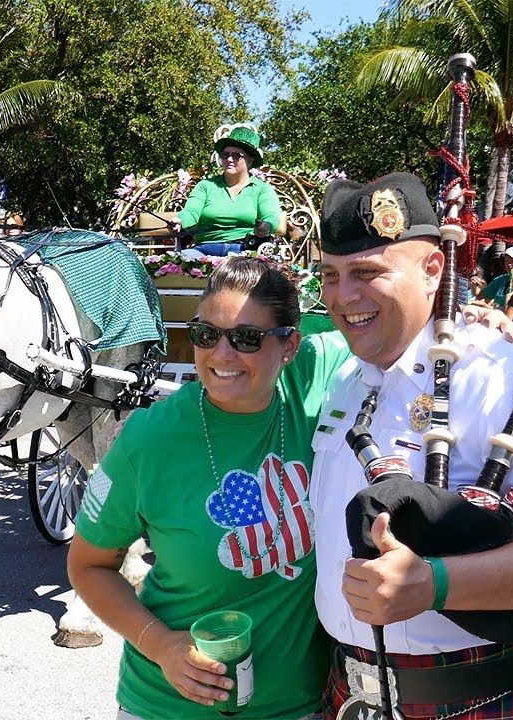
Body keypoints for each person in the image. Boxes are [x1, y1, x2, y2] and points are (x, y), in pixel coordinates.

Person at [314, 172, 513, 719]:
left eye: (368, 272)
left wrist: (435, 584)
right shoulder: (346, 375)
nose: (344, 296)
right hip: (355, 695)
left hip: (491, 696)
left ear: (433, 269)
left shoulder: (500, 371)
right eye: (331, 275)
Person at [69, 256, 351, 719]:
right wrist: (160, 646)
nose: (221, 354)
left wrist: (480, 323)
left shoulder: (314, 380)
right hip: (166, 707)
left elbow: (387, 326)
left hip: (299, 708)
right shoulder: (151, 437)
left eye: (246, 338)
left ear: (290, 346)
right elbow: (88, 566)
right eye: (205, 334)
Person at [169, 125, 281, 257]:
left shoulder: (262, 189)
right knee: (182, 261)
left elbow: (270, 216)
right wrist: (180, 221)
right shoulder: (205, 186)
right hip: (204, 250)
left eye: (236, 156)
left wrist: (266, 226)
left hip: (245, 251)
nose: (229, 159)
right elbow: (191, 212)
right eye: (225, 154)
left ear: (250, 159)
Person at [478, 244, 513, 309]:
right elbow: (481, 296)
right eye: (506, 261)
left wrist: (490, 307)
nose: (509, 264)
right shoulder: (501, 280)